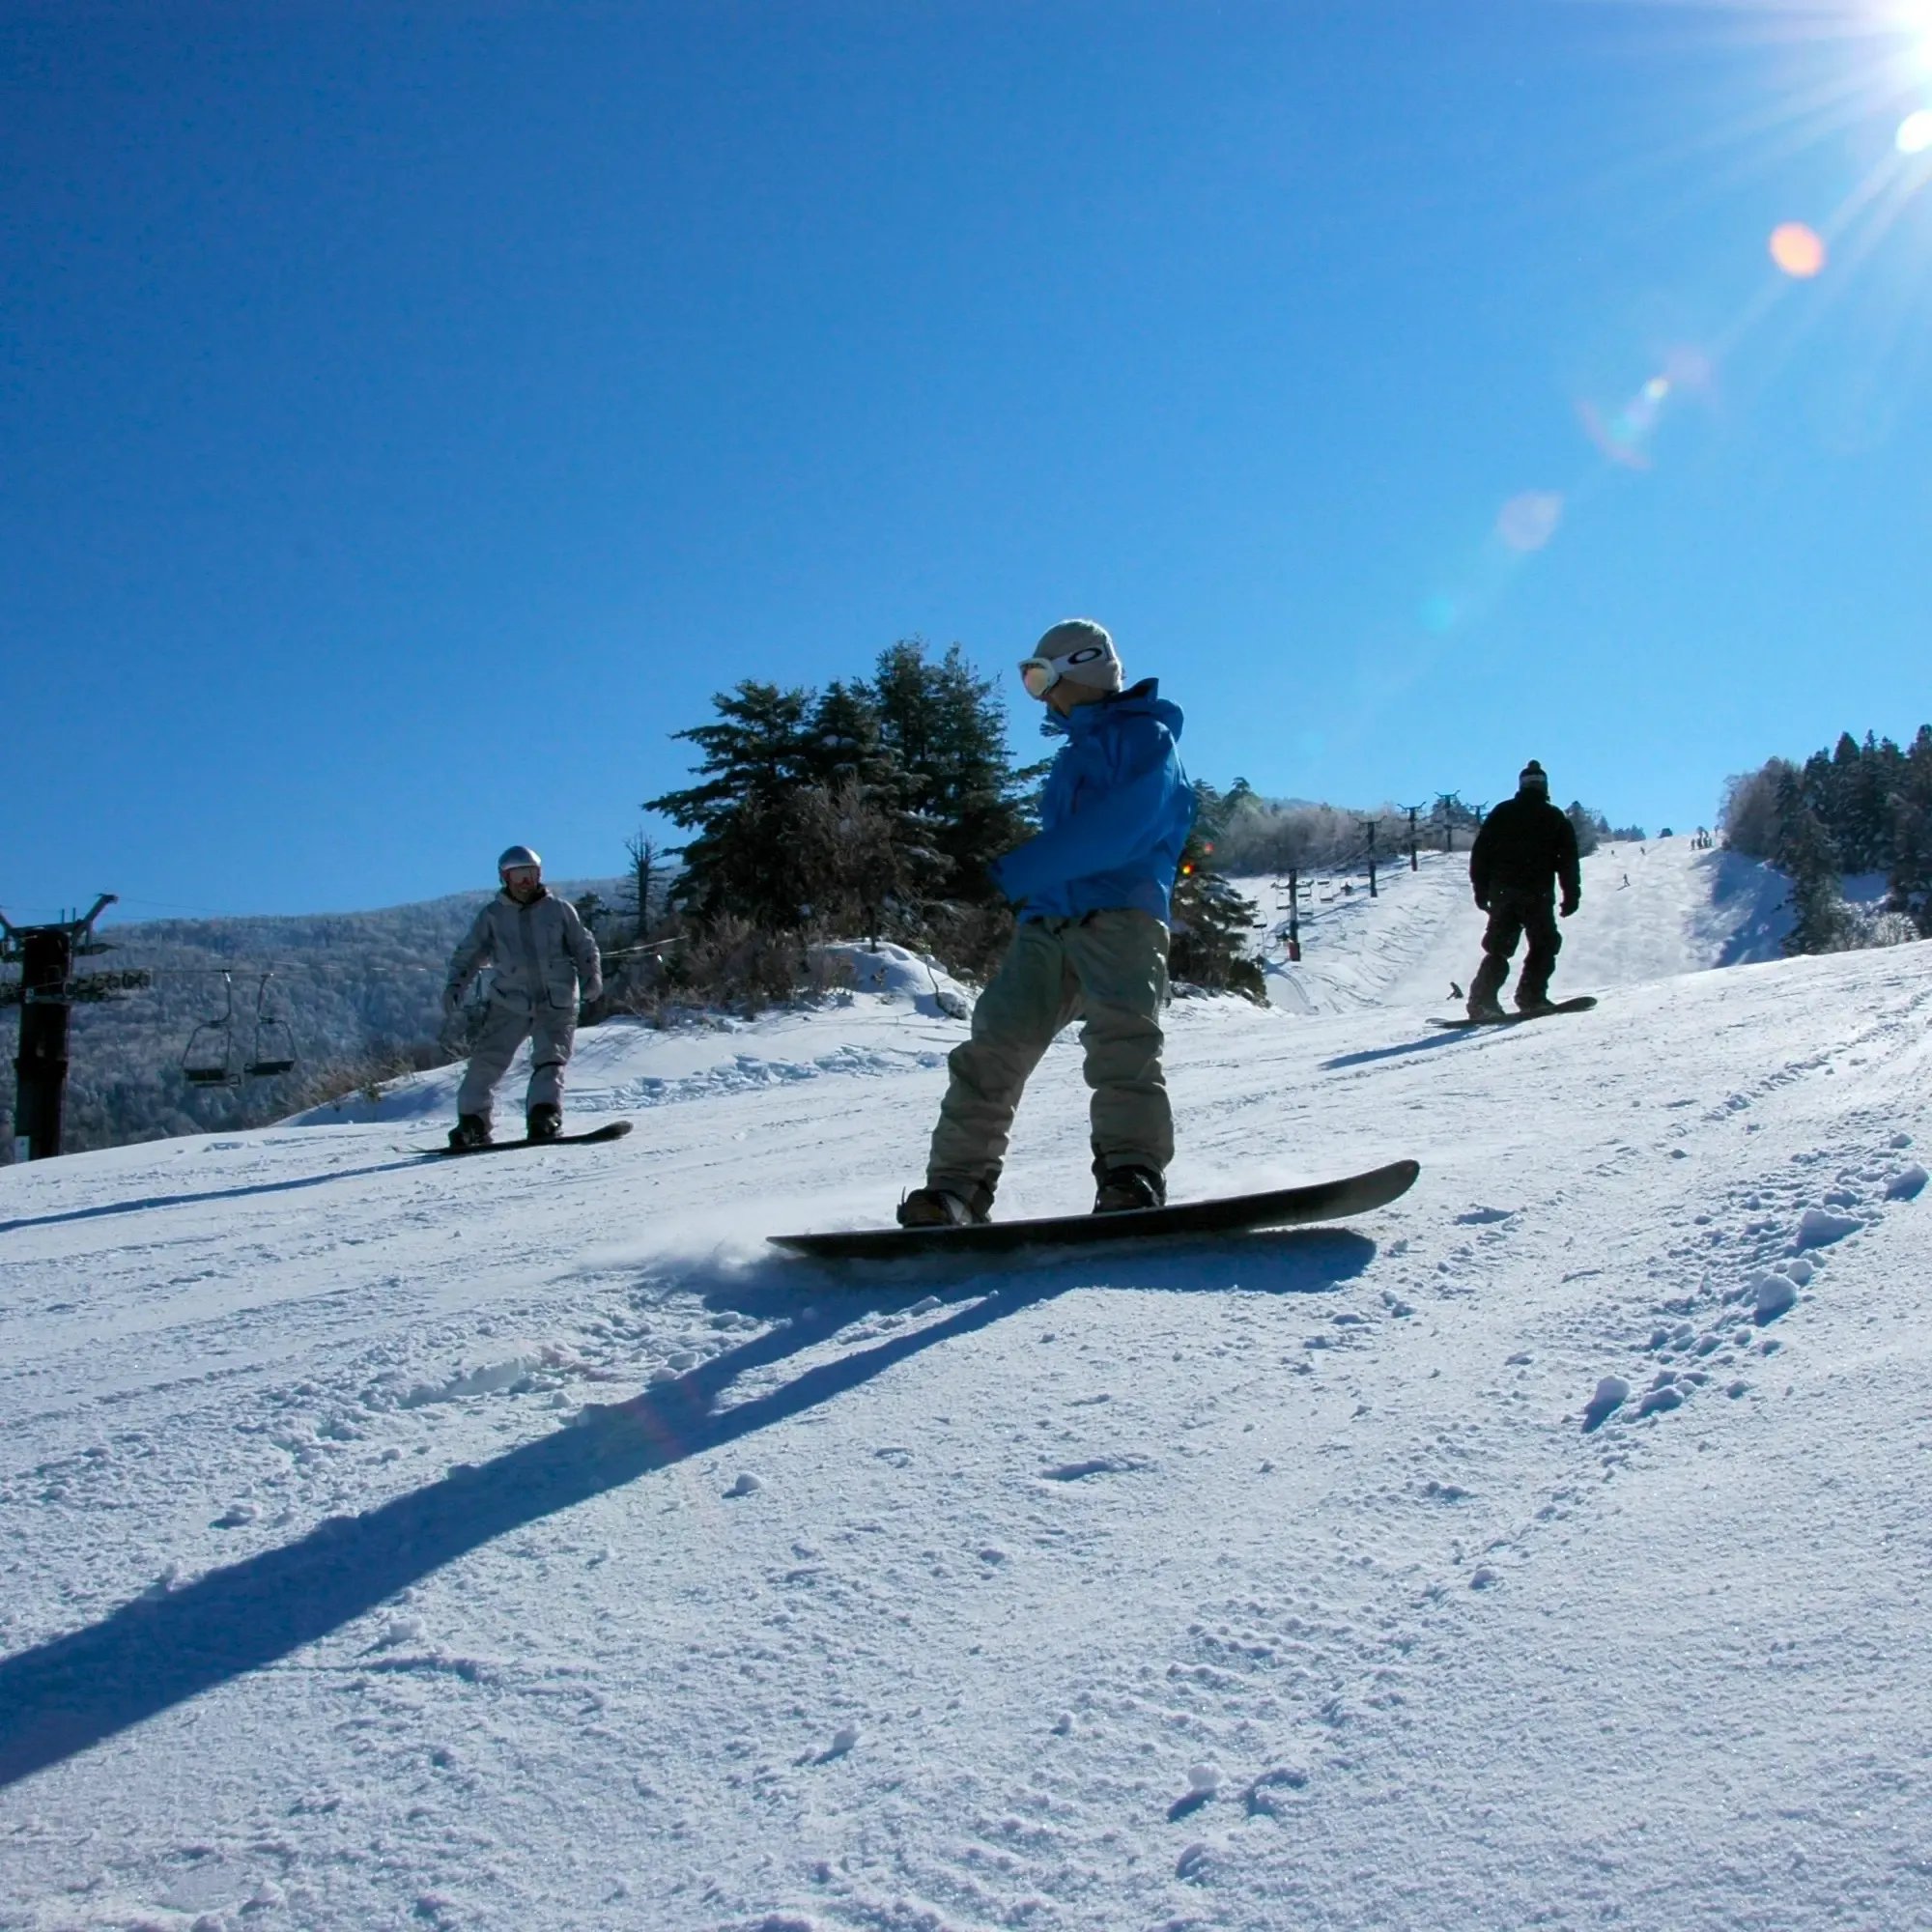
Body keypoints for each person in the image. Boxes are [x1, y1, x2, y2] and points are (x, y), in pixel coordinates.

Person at [898, 619, 1196, 1226]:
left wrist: (1017, 871)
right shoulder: (1075, 755)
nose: (1038, 694)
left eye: (1039, 677)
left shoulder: (1147, 740)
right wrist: (1030, 888)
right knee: (993, 1050)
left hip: (1121, 917)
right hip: (1049, 925)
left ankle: (1131, 1175)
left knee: (1122, 1044)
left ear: (1081, 668)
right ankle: (955, 1190)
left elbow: (1126, 826)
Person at [443, 845, 603, 1148]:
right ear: (505, 878)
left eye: (530, 874)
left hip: (556, 999)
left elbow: (584, 945)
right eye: (518, 876)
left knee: (550, 1060)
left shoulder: (559, 910)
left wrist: (591, 975)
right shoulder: (493, 916)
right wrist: (455, 986)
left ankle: (545, 1115)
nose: (526, 882)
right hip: (510, 1000)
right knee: (486, 1061)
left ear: (539, 875)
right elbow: (469, 954)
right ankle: (472, 1122)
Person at [1465, 761, 1580, 1021]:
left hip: (1504, 893)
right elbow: (1567, 862)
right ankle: (1531, 996)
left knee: (1499, 947)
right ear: (1544, 787)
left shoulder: (1503, 813)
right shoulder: (1553, 817)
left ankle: (1482, 1001)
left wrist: (1481, 890)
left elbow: (1481, 854)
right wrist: (1571, 895)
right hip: (1536, 894)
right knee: (1544, 943)